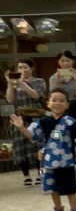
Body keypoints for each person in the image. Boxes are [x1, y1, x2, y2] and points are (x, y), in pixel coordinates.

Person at [9, 88, 76, 211]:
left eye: (61, 101)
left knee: (70, 187)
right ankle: (58, 209)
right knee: (52, 186)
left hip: (67, 160)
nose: (57, 103)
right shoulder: (43, 122)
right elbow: (32, 136)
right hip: (49, 160)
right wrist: (21, 127)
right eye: (54, 100)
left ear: (67, 105)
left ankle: (74, 210)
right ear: (48, 103)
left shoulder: (71, 122)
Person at [5, 58, 46, 186]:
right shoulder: (14, 84)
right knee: (20, 146)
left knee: (38, 145)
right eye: (20, 68)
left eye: (25, 67)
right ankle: (26, 175)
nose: (22, 70)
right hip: (20, 118)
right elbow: (10, 100)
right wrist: (10, 84)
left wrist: (22, 82)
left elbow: (36, 96)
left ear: (31, 68)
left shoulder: (39, 81)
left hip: (35, 117)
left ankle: (40, 174)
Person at [49, 51, 76, 118]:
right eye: (62, 61)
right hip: (61, 106)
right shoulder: (53, 78)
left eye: (68, 60)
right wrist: (57, 83)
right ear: (58, 62)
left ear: (73, 61)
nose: (65, 63)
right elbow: (53, 96)